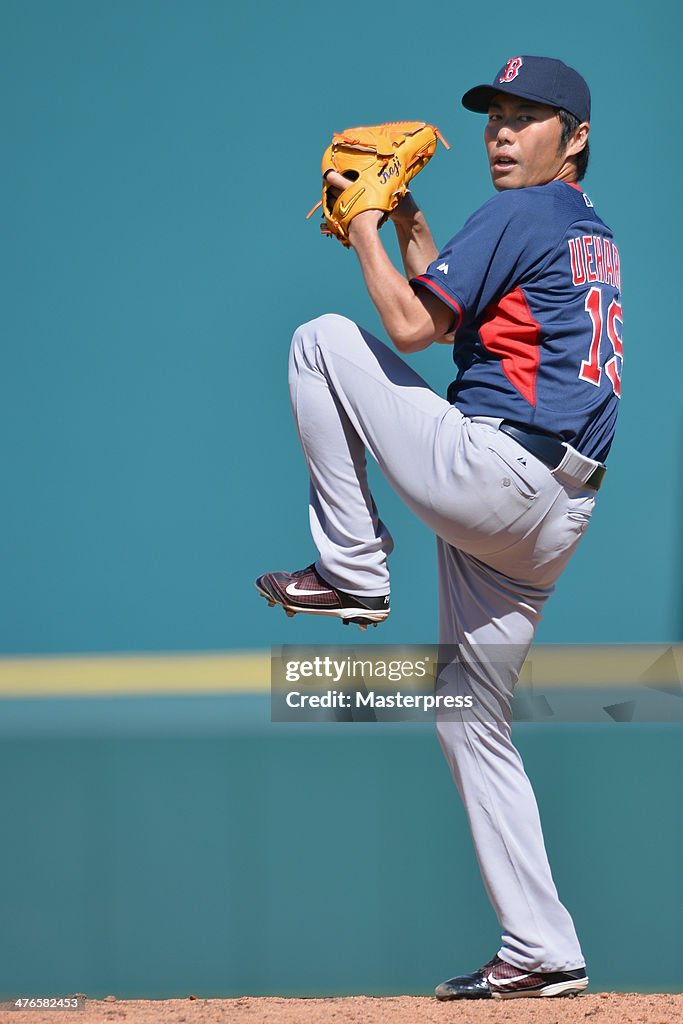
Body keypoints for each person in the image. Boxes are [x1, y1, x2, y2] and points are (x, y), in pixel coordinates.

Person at [256, 55, 622, 999]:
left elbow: (409, 329)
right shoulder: (580, 228)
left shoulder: (521, 210)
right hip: (553, 508)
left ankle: (353, 570)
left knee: (321, 340)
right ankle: (542, 948)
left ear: (572, 136)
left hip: (497, 472)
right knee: (469, 718)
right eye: (495, 116)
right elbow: (465, 322)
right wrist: (413, 228)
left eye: (527, 117)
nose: (502, 133)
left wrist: (369, 219)